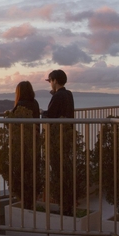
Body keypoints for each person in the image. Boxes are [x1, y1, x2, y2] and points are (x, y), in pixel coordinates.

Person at [42, 69, 77, 215]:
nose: (50, 84)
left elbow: (50, 116)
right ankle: (67, 206)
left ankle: (64, 207)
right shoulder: (68, 94)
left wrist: (42, 113)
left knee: (57, 169)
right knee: (65, 167)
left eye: (50, 81)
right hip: (67, 134)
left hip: (57, 137)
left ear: (55, 80)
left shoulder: (58, 97)